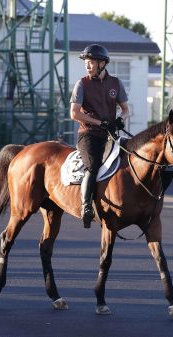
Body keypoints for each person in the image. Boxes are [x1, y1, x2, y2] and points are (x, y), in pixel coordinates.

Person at [70, 44, 129, 229]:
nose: (87, 66)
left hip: (110, 134)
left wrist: (121, 120)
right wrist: (99, 123)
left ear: (102, 63)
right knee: (93, 166)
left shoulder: (116, 83)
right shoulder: (82, 84)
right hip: (89, 134)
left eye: (91, 63)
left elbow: (126, 110)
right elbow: (74, 113)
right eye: (86, 63)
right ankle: (86, 207)